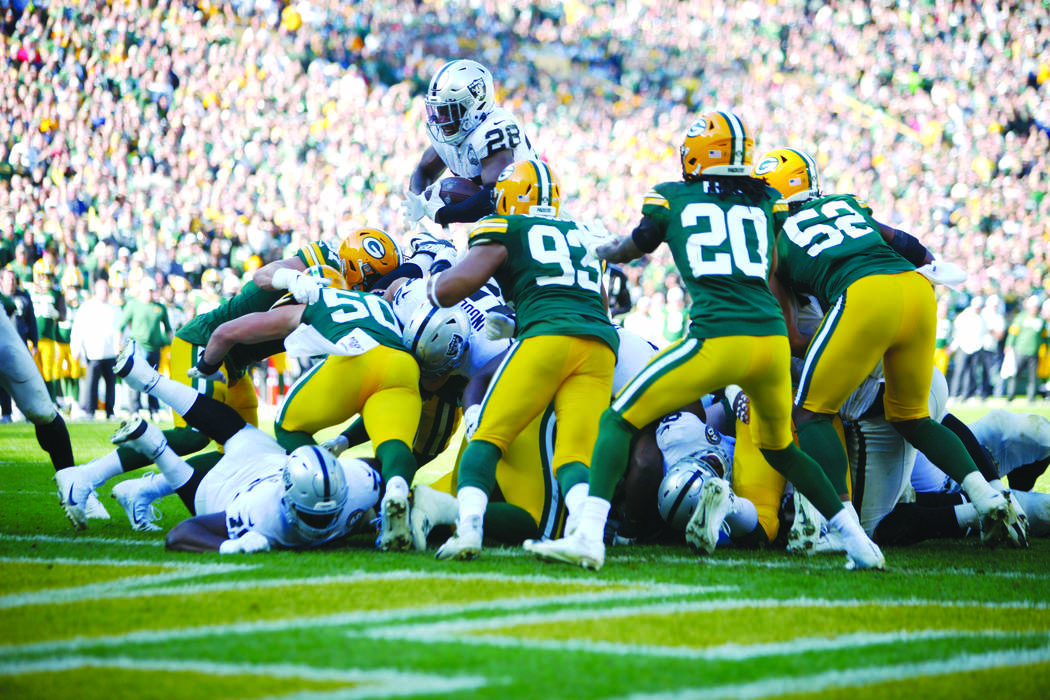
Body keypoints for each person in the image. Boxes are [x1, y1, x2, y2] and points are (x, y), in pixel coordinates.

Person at [524, 113, 883, 572]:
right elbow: (772, 263)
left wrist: (601, 252)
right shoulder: (767, 201)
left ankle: (588, 537)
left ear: (697, 154)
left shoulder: (672, 196)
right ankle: (859, 544)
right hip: (771, 342)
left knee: (616, 421)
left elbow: (638, 243)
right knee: (783, 450)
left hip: (718, 336)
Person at [754, 146, 1026, 547]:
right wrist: (929, 265)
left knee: (810, 415)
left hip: (865, 301)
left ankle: (843, 529)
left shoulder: (774, 241)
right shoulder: (846, 204)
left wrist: (845, 347)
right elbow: (904, 241)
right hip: (916, 288)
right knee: (916, 418)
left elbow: (794, 337)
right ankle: (989, 497)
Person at [426, 158, 618, 561]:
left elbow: (451, 289)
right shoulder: (581, 233)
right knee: (575, 454)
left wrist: (424, 289)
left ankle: (469, 530)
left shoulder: (507, 226)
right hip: (600, 345)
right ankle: (586, 535)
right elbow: (598, 302)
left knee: (489, 435)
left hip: (548, 339)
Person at [189, 268, 422, 552]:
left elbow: (227, 332)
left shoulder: (315, 298)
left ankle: (324, 487)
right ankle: (395, 492)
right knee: (395, 445)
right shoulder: (378, 303)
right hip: (403, 364)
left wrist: (207, 365)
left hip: (356, 357)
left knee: (288, 425)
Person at [97, 340, 380, 553]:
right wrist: (229, 546)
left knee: (231, 429)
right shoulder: (262, 515)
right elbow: (181, 534)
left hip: (259, 464)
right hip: (241, 485)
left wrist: (397, 497)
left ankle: (153, 437)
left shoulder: (358, 483)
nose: (321, 526)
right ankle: (150, 394)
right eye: (313, 516)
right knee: (227, 431)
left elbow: (381, 470)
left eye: (326, 514)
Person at [403, 59, 536, 227]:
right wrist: (419, 200)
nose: (442, 119)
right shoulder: (455, 130)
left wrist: (442, 214)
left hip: (530, 217)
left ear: (476, 105)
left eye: (450, 110)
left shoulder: (494, 129)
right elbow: (424, 171)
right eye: (439, 110)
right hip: (497, 220)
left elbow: (496, 196)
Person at [120, 277, 173, 417]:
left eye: (152, 290)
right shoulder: (133, 305)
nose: (151, 293)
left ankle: (153, 409)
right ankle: (134, 410)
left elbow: (168, 329)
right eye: (148, 290)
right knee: (136, 378)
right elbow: (121, 326)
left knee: (154, 379)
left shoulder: (160, 308)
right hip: (138, 346)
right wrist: (118, 345)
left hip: (155, 348)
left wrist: (173, 346)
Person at [70, 278, 122, 419]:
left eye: (106, 289)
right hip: (93, 353)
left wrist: (120, 347)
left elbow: (120, 330)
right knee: (91, 384)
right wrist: (75, 348)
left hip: (111, 353)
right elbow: (78, 330)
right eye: (101, 289)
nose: (104, 292)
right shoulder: (86, 308)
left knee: (110, 384)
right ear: (95, 291)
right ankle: (90, 411)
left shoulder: (115, 309)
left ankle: (110, 412)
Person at [1004, 295, 1048, 402]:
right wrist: (1008, 345)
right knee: (1015, 374)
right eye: (1033, 306)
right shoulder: (1021, 317)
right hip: (1020, 351)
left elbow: (1045, 336)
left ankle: (1031, 397)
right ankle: (1010, 395)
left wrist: (1046, 348)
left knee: (1033, 377)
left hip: (1034, 352)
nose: (1034, 309)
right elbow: (1013, 333)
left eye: (1036, 307)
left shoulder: (1041, 320)